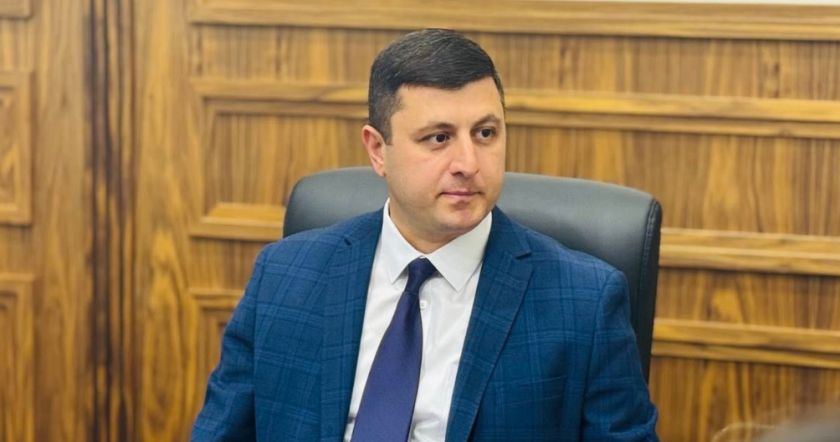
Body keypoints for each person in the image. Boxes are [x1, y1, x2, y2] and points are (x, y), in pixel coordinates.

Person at [192, 28, 658, 441]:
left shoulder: (584, 302)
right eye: (439, 138)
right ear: (378, 150)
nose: (468, 163)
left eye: (485, 133)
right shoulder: (284, 276)